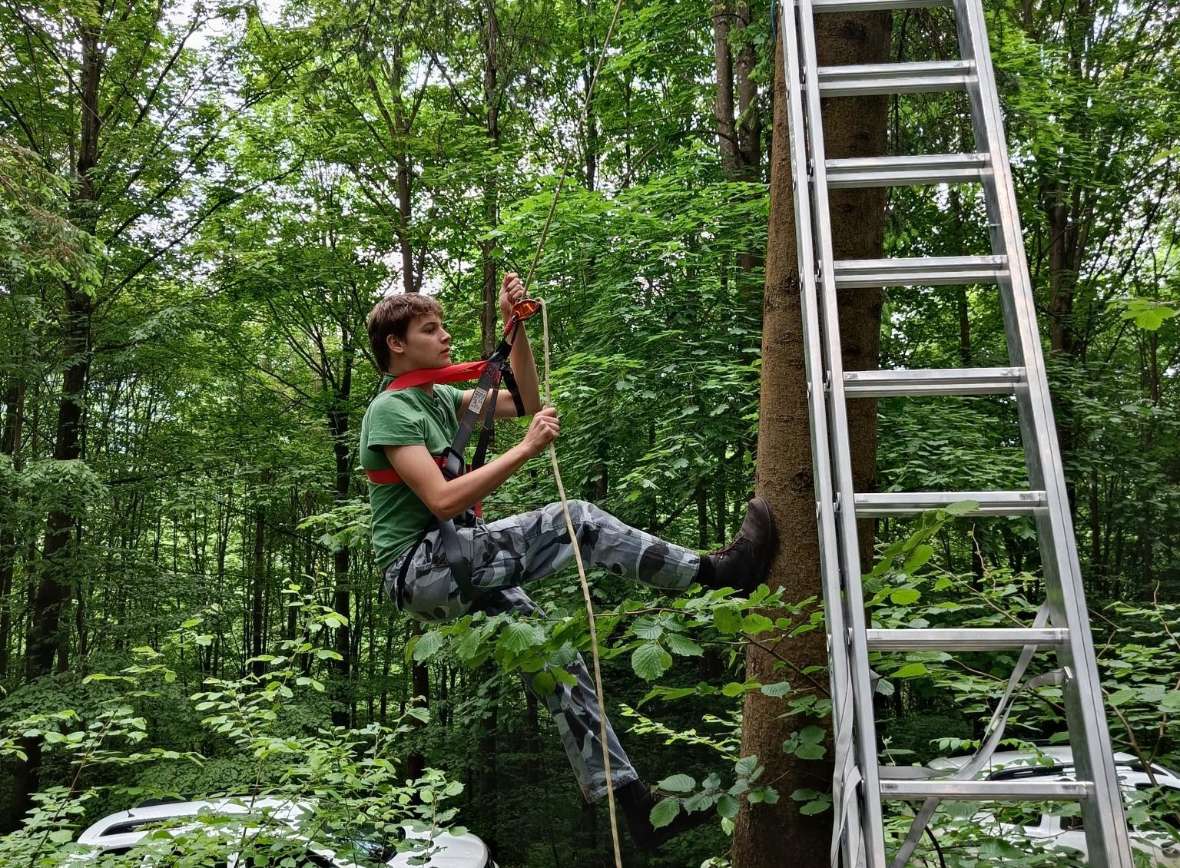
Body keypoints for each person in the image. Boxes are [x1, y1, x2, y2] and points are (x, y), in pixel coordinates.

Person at [360, 275, 777, 851]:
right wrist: (525, 449)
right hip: (419, 569)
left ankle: (630, 803)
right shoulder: (390, 409)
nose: (447, 336)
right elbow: (441, 500)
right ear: (396, 345)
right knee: (574, 520)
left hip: (451, 562)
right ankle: (714, 574)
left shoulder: (438, 396)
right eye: (431, 330)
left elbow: (525, 401)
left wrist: (518, 329)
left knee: (552, 656)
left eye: (444, 325)